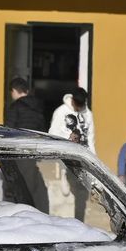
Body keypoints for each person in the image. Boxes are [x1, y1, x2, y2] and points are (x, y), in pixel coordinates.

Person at [1, 77, 50, 211]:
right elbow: (43, 131)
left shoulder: (15, 107)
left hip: (17, 153)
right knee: (31, 190)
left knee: (13, 191)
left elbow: (8, 132)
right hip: (32, 154)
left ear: (15, 91)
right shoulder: (38, 108)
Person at [48, 87, 95, 219]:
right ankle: (64, 173)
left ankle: (79, 221)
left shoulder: (88, 114)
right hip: (66, 156)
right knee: (67, 192)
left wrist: (93, 159)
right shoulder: (61, 112)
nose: (79, 108)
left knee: (81, 195)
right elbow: (52, 133)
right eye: (77, 105)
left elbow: (91, 138)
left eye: (82, 105)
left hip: (82, 158)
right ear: (72, 100)